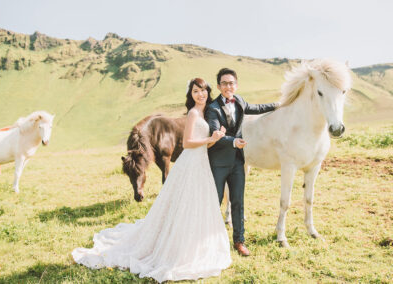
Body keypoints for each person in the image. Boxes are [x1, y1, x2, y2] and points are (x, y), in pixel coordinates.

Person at [72, 78, 231, 283]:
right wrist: (210, 139)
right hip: (190, 162)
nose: (200, 94)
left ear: (208, 92)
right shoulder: (192, 114)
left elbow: (203, 146)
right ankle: (175, 244)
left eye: (203, 91)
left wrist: (215, 139)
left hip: (201, 163)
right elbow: (188, 143)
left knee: (196, 203)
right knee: (184, 202)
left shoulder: (204, 113)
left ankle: (192, 241)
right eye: (195, 91)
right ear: (190, 95)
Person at [206, 68, 280, 256]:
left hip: (238, 162)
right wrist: (233, 141)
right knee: (215, 202)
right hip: (219, 162)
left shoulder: (239, 100)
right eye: (224, 83)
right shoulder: (212, 108)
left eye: (231, 83)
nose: (228, 86)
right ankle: (210, 242)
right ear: (218, 86)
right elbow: (215, 134)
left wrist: (277, 105)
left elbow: (257, 108)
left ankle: (239, 241)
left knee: (238, 202)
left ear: (236, 85)